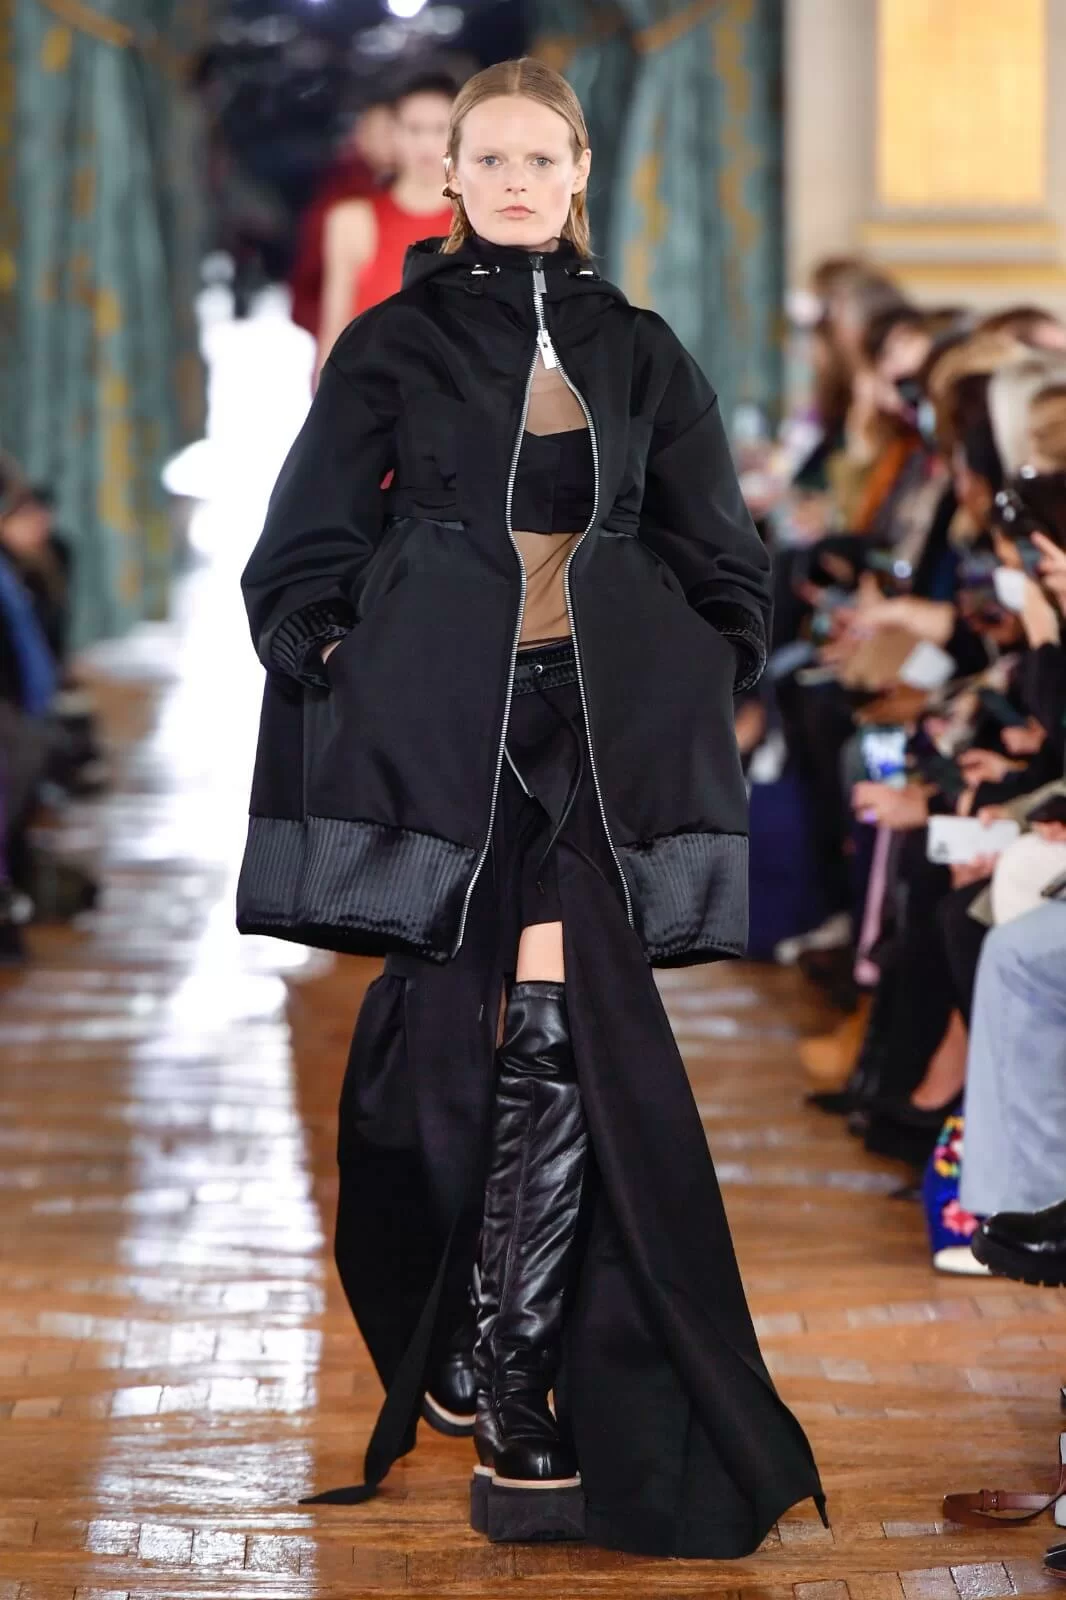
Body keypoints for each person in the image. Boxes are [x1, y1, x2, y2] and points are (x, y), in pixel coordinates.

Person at [238, 56, 824, 1556]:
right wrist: (333, 649)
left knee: (565, 1027)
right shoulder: (396, 339)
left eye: (538, 159)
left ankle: (511, 1377)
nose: (513, 182)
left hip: (592, 731)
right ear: (449, 176)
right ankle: (450, 1315)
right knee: (437, 1049)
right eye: (486, 158)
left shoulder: (636, 347)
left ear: (577, 176)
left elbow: (717, 542)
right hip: (441, 727)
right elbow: (303, 537)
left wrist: (715, 656)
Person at [315, 71, 458, 374]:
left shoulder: (485, 223)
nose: (426, 143)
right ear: (394, 133)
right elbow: (333, 331)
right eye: (414, 129)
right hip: (374, 393)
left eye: (439, 129)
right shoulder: (353, 220)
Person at [289, 95, 397, 339]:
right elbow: (311, 272)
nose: (386, 143)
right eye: (375, 132)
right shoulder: (341, 194)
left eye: (391, 131)